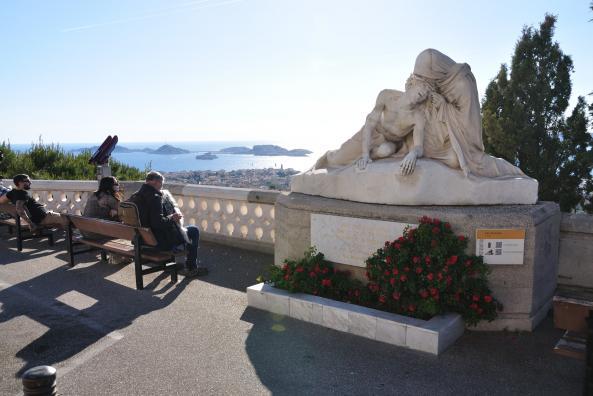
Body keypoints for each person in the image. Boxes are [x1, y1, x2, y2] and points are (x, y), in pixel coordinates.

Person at [128, 171, 207, 278]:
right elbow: (158, 223)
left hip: (141, 240)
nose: (161, 187)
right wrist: (172, 218)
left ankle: (169, 266)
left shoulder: (135, 196)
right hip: (159, 242)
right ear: (155, 182)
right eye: (161, 184)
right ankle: (191, 267)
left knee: (182, 230)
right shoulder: (155, 197)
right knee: (194, 230)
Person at [0, 174, 66, 232]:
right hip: (42, 217)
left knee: (59, 223)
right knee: (67, 218)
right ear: (20, 183)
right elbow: (19, 209)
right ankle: (74, 237)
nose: (30, 182)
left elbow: (1, 201)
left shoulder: (12, 192)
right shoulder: (22, 194)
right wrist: (31, 223)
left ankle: (69, 234)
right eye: (27, 181)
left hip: (39, 217)